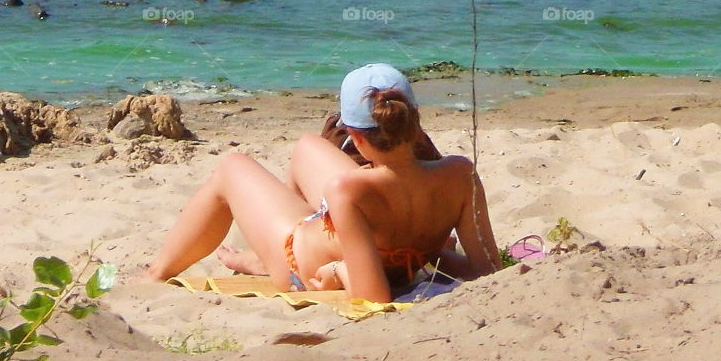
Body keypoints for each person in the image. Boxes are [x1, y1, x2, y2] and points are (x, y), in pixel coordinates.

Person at [144, 63, 501, 302]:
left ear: (354, 138)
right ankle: (262, 258)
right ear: (414, 122)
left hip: (299, 267)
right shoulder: (459, 173)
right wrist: (428, 252)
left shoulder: (349, 190)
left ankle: (155, 275)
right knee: (307, 148)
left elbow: (373, 299)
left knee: (232, 168)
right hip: (400, 255)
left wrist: (338, 271)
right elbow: (487, 271)